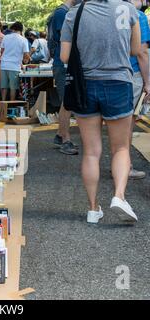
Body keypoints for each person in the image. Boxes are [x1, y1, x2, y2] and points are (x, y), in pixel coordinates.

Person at [60, 0, 141, 224]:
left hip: (85, 86)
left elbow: (64, 57)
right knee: (121, 147)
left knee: (91, 152)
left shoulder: (74, 13)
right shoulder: (129, 10)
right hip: (119, 83)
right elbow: (135, 50)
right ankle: (119, 196)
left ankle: (93, 209)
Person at [50, 0, 81, 155]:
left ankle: (60, 135)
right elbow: (66, 39)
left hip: (64, 63)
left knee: (67, 102)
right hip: (64, 64)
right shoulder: (63, 13)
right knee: (67, 103)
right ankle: (65, 139)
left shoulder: (63, 12)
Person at [128, 0, 150, 179]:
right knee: (127, 124)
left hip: (103, 74)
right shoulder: (138, 16)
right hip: (131, 73)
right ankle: (124, 166)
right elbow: (142, 52)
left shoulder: (103, 12)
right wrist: (147, 82)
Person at [0, 22, 30, 101]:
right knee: (13, 88)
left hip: (4, 65)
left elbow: (2, 51)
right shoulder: (23, 40)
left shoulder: (5, 37)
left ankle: (3, 104)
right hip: (14, 66)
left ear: (13, 29)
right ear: (21, 30)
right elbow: (26, 54)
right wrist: (27, 60)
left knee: (4, 86)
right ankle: (11, 103)